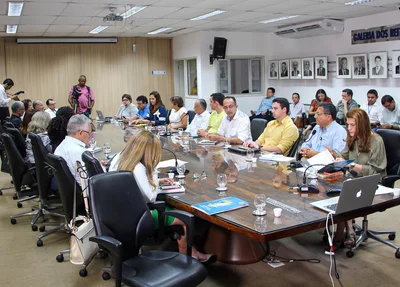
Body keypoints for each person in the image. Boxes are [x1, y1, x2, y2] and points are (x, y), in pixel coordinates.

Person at [109, 130, 214, 262]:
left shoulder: (119, 157)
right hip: (136, 217)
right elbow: (150, 197)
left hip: (116, 214)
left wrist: (157, 181)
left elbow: (134, 185)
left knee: (171, 206)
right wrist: (152, 172)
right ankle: (187, 258)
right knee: (185, 219)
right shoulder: (139, 167)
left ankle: (189, 248)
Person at [328, 108, 387, 249]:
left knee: (346, 194)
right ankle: (346, 230)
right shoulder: (352, 138)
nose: (349, 128)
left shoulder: (376, 141)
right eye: (347, 125)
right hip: (353, 178)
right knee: (332, 188)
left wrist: (353, 165)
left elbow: (375, 170)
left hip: (372, 180)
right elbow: (345, 156)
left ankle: (346, 232)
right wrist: (337, 157)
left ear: (362, 125)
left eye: (352, 125)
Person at [54, 114, 92, 185]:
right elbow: (96, 177)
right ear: (80, 133)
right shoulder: (81, 153)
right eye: (89, 133)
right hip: (88, 192)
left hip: (71, 190)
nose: (90, 137)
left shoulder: (61, 146)